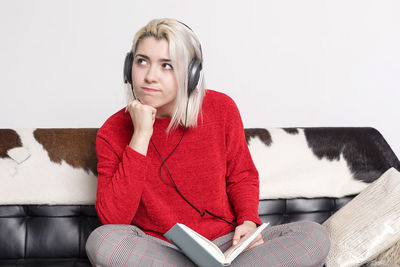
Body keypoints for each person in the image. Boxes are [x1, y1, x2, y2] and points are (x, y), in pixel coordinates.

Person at [86, 18, 330, 266]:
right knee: (103, 241)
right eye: (142, 61)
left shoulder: (221, 109)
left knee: (314, 235)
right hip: (161, 250)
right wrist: (140, 134)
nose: (150, 76)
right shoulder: (113, 130)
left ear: (191, 75)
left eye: (166, 65)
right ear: (129, 68)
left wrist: (247, 221)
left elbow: (242, 175)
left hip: (226, 243)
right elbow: (113, 219)